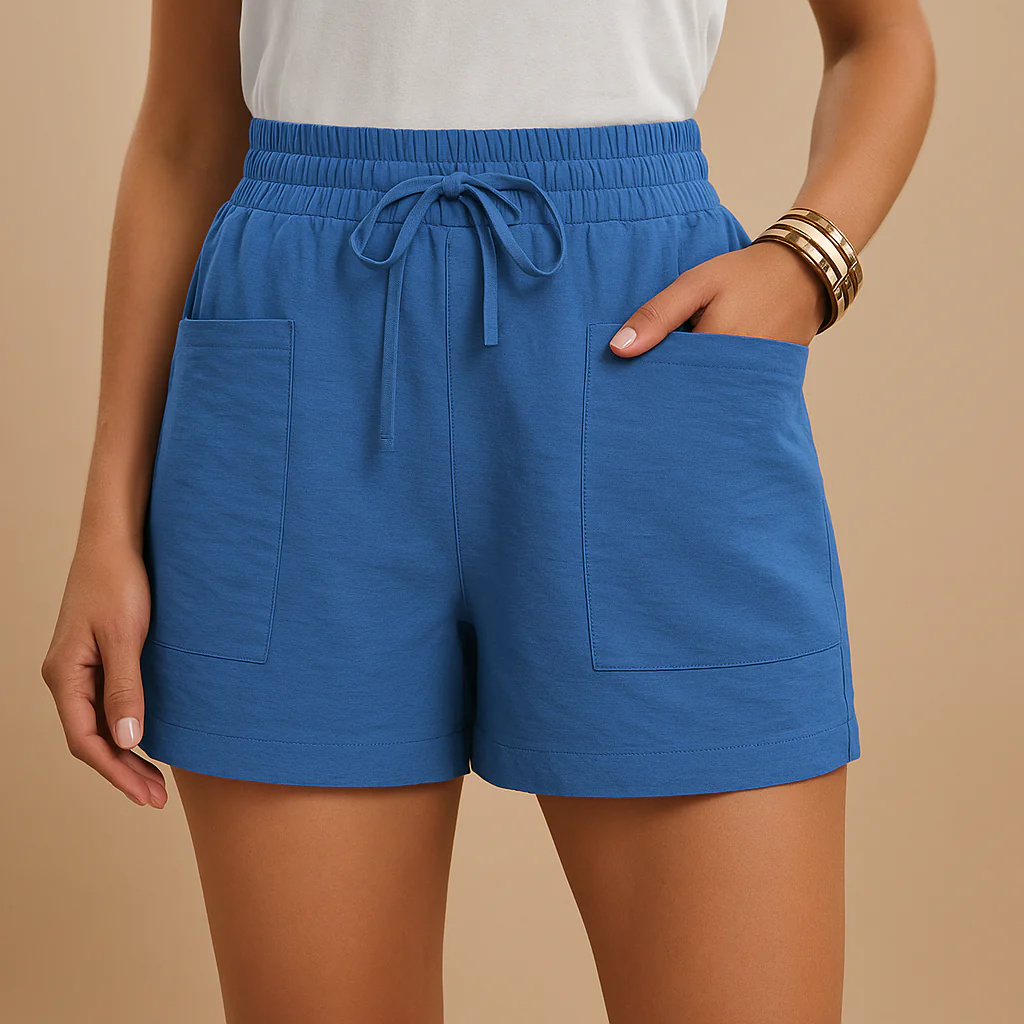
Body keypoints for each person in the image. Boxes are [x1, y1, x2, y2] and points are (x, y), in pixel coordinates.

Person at [40, 1, 935, 1020]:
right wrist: (106, 527)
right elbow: (187, 130)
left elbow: (882, 36)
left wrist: (807, 264)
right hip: (301, 376)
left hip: (639, 355)